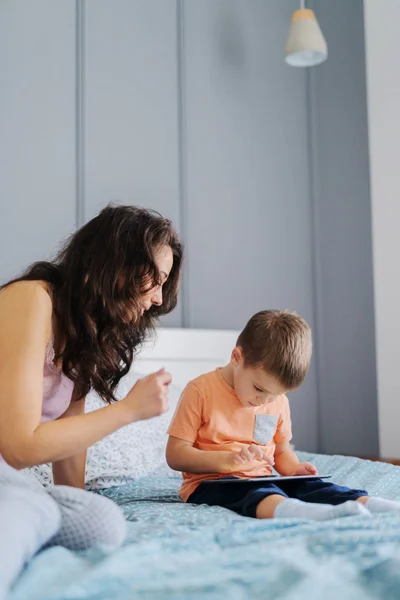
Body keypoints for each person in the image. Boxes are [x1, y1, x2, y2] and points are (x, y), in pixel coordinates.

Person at [0, 204, 182, 595]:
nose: (158, 299)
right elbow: (18, 447)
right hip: (6, 470)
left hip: (7, 479)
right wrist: (128, 411)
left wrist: (72, 499)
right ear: (116, 263)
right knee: (29, 507)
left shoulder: (85, 334)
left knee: (100, 522)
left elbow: (68, 443)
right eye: (156, 279)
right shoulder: (32, 299)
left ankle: (26, 522)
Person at [166, 310, 400, 521]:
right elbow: (176, 455)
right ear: (237, 357)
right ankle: (304, 514)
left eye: (275, 394)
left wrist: (294, 470)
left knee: (312, 486)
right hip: (211, 482)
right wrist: (226, 460)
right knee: (253, 493)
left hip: (263, 478)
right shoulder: (200, 390)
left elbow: (281, 451)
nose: (264, 401)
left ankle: (370, 505)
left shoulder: (276, 401)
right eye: (259, 389)